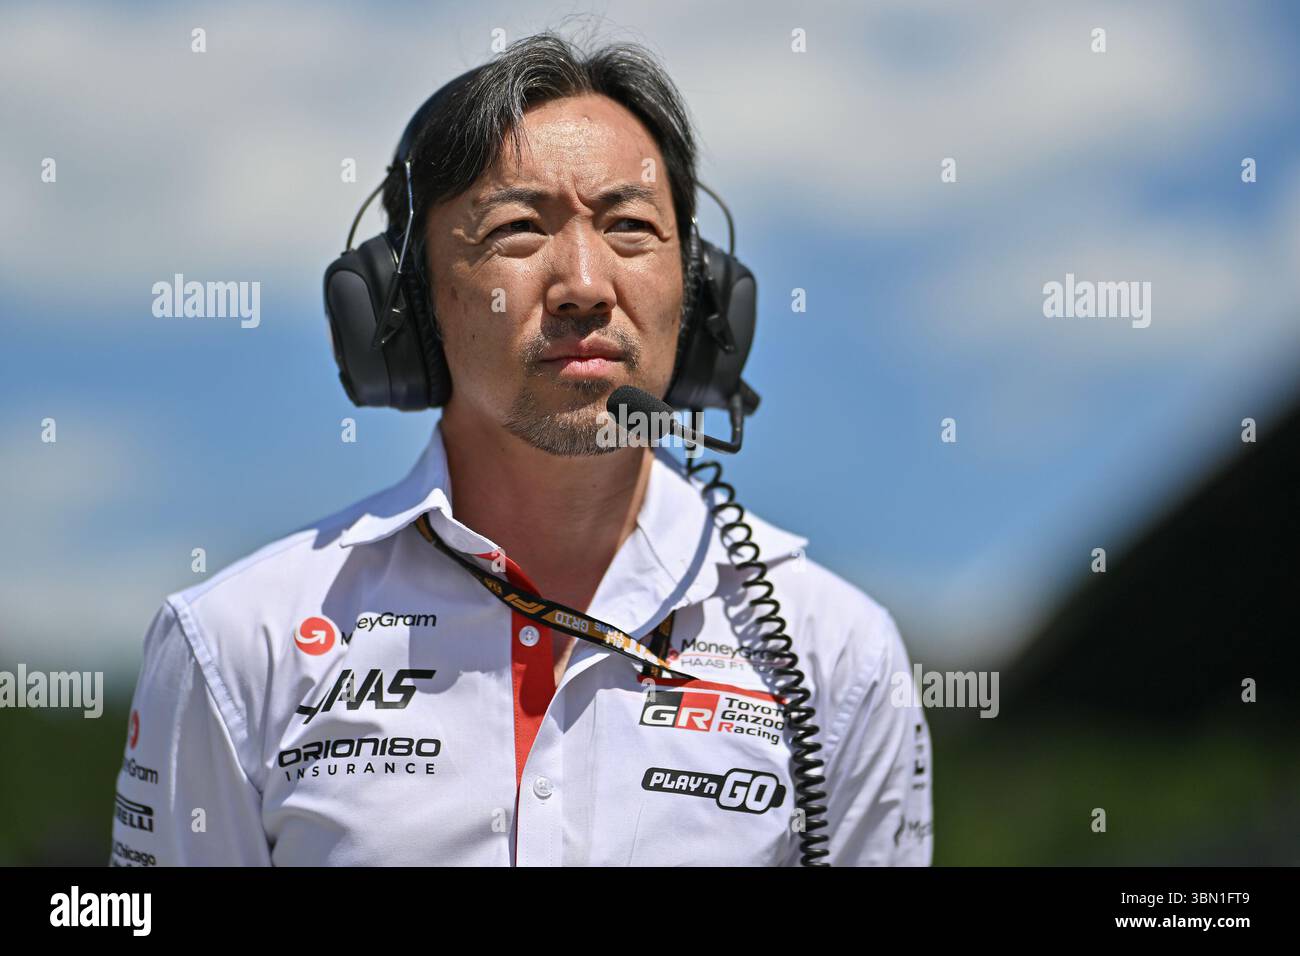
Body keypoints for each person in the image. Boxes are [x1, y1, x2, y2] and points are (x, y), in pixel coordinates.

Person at [109, 31, 933, 867]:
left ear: (702, 291)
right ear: (407, 303)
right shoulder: (235, 644)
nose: (583, 282)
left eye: (630, 225)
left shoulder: (840, 654)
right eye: (516, 230)